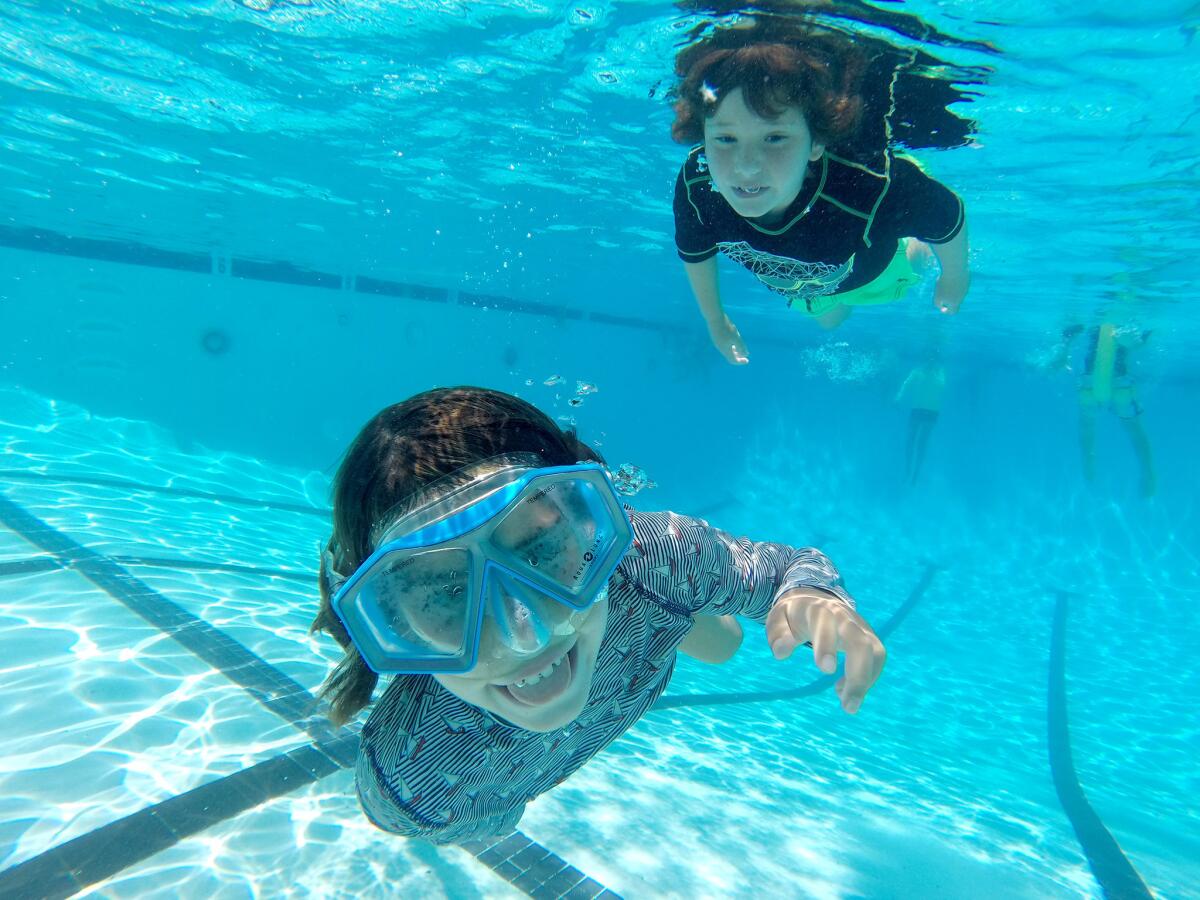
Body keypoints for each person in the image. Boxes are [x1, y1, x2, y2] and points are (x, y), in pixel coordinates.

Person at [310, 387, 886, 843]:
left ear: (590, 520)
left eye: (540, 547)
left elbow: (787, 568)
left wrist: (813, 597)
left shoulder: (652, 553)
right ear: (392, 623)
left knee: (719, 637)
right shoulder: (411, 782)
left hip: (638, 624)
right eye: (446, 592)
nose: (523, 633)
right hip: (608, 634)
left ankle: (679, 614)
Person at [671, 18, 971, 358]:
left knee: (917, 261)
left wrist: (955, 276)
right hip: (806, 290)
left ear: (816, 142)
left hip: (877, 274)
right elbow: (695, 250)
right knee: (830, 322)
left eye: (774, 137)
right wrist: (715, 321)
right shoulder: (698, 185)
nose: (746, 166)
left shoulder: (863, 190)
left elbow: (948, 215)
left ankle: (912, 237)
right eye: (725, 139)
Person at [1054, 323, 1156, 498]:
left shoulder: (1094, 322)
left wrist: (1064, 351)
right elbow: (1140, 341)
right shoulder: (1129, 322)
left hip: (1089, 383)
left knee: (1087, 425)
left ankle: (1088, 468)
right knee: (1133, 428)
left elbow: (1070, 332)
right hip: (1120, 384)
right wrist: (1141, 338)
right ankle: (1148, 474)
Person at [896, 359, 946, 486]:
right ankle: (908, 471)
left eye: (933, 357)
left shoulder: (939, 372)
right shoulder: (918, 372)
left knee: (921, 444)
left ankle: (915, 475)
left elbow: (941, 386)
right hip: (920, 410)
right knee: (911, 441)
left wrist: (932, 374)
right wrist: (898, 396)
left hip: (930, 411)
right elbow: (906, 384)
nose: (931, 360)